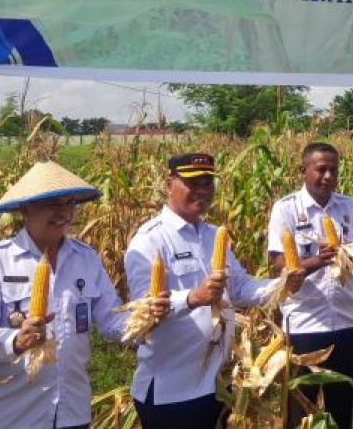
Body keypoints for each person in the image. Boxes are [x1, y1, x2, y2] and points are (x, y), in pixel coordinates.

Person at [0, 160, 166, 429]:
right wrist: (16, 340)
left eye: (70, 203)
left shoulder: (86, 258)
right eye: (53, 204)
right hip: (12, 415)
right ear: (26, 208)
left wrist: (143, 319)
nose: (64, 213)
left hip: (72, 412)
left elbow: (110, 320)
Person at [125, 152, 304, 428]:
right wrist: (192, 298)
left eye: (208, 183)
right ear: (168, 184)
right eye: (193, 183)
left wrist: (281, 285)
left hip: (217, 383)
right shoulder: (151, 240)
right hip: (172, 391)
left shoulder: (213, 235)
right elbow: (140, 313)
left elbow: (240, 287)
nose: (202, 191)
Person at [267, 141, 353, 429]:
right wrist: (315, 261)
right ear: (303, 171)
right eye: (321, 169)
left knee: (343, 409)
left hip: (347, 322)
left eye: (333, 170)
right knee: (298, 411)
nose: (328, 177)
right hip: (304, 325)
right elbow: (277, 266)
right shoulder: (285, 209)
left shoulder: (348, 207)